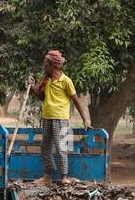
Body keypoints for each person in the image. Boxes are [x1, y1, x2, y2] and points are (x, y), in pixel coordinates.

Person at [29, 49, 90, 182]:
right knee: (45, 148)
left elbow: (76, 100)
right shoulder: (46, 80)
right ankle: (48, 176)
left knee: (62, 147)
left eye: (46, 64)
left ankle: (64, 177)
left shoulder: (66, 81)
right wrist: (34, 86)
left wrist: (85, 119)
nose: (44, 66)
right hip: (47, 118)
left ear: (52, 65)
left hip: (61, 119)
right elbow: (41, 97)